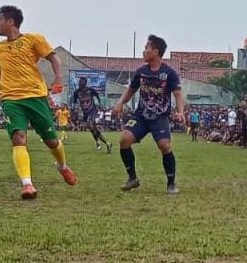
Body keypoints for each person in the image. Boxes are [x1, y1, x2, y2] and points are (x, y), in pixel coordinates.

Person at [0, 5, 76, 200]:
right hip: (11, 99)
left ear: (11, 22)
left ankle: (62, 166)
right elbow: (1, 73)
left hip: (35, 96)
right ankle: (27, 184)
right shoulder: (0, 48)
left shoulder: (33, 39)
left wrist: (58, 79)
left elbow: (55, 60)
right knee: (18, 137)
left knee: (52, 141)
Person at [112, 35, 185, 195]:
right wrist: (120, 103)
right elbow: (131, 90)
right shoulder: (141, 72)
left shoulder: (169, 73)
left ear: (156, 51)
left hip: (160, 117)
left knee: (164, 146)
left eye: (146, 48)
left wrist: (180, 111)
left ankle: (171, 183)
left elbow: (177, 93)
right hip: (141, 116)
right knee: (124, 140)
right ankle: (132, 178)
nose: (143, 51)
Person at [71, 77, 112, 152]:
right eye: (79, 82)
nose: (80, 84)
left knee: (90, 125)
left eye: (81, 83)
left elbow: (97, 96)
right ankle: (102, 143)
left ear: (85, 83)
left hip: (93, 110)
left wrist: (100, 104)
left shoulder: (90, 90)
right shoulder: (76, 92)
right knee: (92, 129)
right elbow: (74, 102)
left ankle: (106, 143)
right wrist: (75, 109)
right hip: (85, 113)